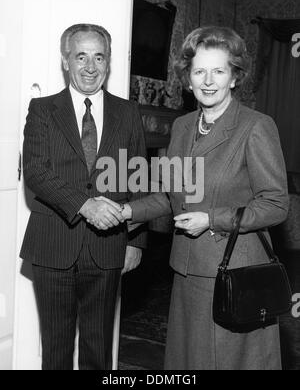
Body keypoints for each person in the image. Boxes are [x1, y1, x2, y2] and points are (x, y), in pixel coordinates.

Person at [118, 26, 289, 370]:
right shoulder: (181, 127)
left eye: (218, 71)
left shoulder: (256, 126)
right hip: (186, 272)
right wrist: (126, 210)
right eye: (199, 71)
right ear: (188, 77)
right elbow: (173, 196)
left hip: (234, 275)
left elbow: (275, 204)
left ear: (234, 78)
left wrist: (212, 219)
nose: (208, 81)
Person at [20, 23, 147, 370]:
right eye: (81, 56)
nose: (90, 67)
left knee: (99, 350)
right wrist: (84, 205)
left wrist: (136, 240)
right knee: (56, 350)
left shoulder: (128, 112)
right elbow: (35, 172)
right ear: (65, 60)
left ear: (108, 62)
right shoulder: (43, 110)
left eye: (99, 57)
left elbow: (139, 179)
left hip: (108, 248)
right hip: (53, 246)